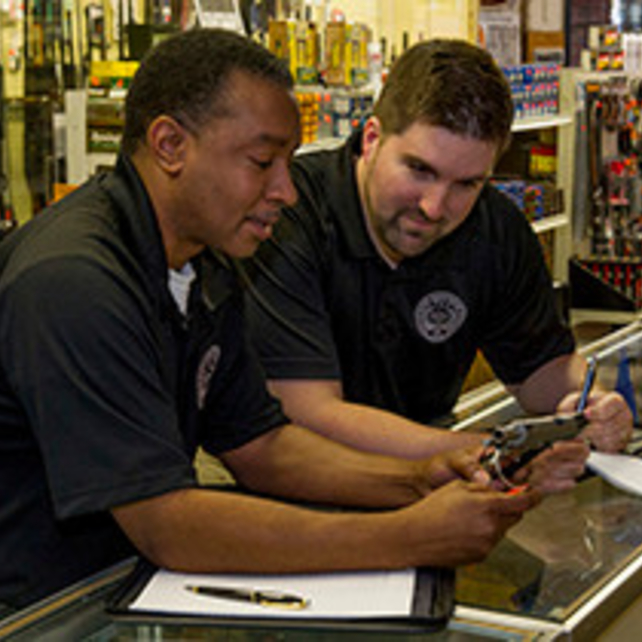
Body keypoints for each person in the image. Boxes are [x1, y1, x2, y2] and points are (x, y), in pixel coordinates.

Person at [0, 28, 542, 612]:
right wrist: (408, 534)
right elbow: (168, 522)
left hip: (121, 592)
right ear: (169, 145)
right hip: (39, 613)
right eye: (263, 162)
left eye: (287, 161)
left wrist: (419, 477)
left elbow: (262, 445)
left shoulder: (203, 262)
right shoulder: (73, 281)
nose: (285, 190)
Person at [243, 38, 632, 468]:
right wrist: (489, 452)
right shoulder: (287, 215)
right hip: (294, 483)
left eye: (467, 184)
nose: (434, 207)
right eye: (420, 170)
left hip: (432, 468)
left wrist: (588, 403)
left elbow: (541, 369)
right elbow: (312, 415)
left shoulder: (495, 229)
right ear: (372, 139)